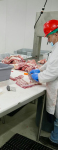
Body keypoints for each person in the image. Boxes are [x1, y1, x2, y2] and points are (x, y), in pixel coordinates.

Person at [30, 19, 58, 149]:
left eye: (49, 36)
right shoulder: (56, 47)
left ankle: (54, 141)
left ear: (56, 34)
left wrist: (38, 77)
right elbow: (50, 63)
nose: (48, 39)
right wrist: (40, 69)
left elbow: (53, 72)